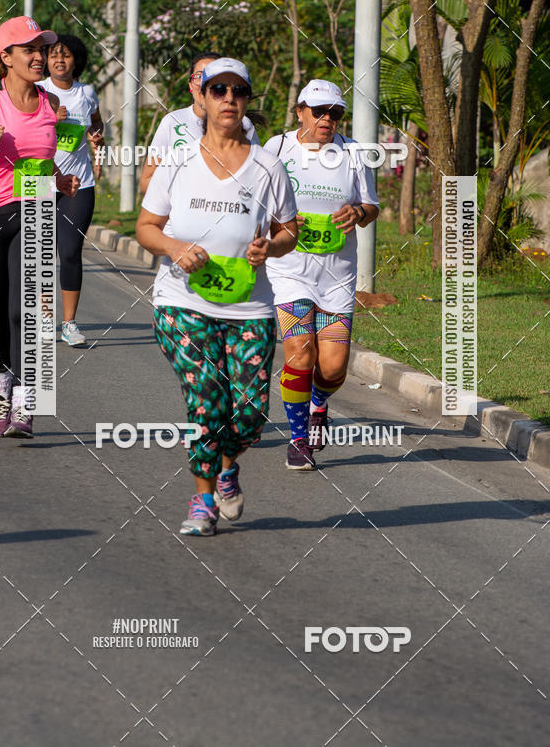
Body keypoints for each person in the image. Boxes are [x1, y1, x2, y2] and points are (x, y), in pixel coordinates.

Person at [136, 57, 298, 536]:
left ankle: (229, 468)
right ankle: (203, 500)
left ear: (247, 101)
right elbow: (147, 227)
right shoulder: (179, 163)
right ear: (202, 99)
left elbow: (289, 229)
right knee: (207, 402)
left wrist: (271, 246)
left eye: (238, 91)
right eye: (219, 90)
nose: (229, 99)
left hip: (250, 306)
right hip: (182, 303)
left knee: (247, 415)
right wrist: (175, 248)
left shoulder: (269, 167)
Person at [0, 16, 79, 439]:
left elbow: (43, 158)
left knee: (25, 311)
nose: (39, 57)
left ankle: (27, 404)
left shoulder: (49, 104)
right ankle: (1, 392)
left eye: (41, 49)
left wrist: (59, 179)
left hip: (37, 214)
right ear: (6, 57)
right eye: (29, 50)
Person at [263, 79, 379, 471]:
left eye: (336, 113)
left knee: (332, 368)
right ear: (300, 111)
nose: (328, 119)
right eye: (320, 111)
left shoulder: (353, 154)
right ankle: (298, 439)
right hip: (289, 270)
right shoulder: (276, 149)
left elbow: (370, 205)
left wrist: (359, 213)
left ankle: (318, 404)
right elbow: (257, 201)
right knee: (301, 353)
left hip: (338, 276)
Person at [41, 34, 103, 347]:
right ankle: (43, 319)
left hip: (79, 182)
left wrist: (97, 143)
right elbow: (23, 131)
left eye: (66, 55)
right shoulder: (37, 91)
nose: (60, 60)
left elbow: (97, 124)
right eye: (53, 55)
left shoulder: (87, 92)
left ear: (76, 60)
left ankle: (69, 324)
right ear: (45, 60)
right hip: (40, 179)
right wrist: (50, 119)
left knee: (69, 252)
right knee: (39, 252)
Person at [139, 51, 261, 195]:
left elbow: (257, 179)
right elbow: (146, 182)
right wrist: (188, 194)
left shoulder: (244, 124)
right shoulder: (172, 122)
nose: (204, 82)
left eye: (213, 79)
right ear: (191, 84)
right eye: (199, 76)